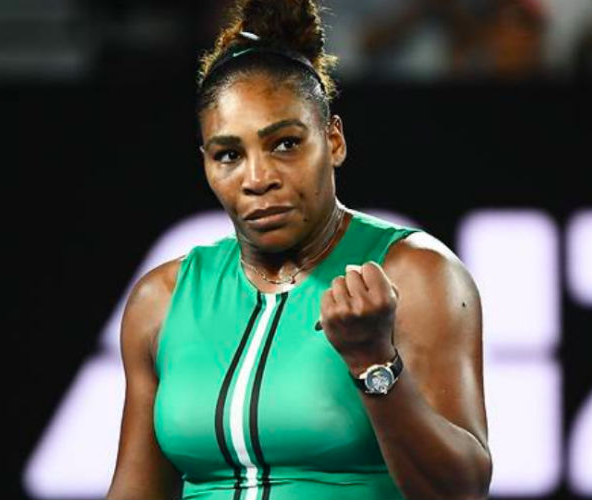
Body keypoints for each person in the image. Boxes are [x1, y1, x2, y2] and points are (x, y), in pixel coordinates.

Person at [106, 1, 491, 498]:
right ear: (205, 163)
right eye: (229, 154)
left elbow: (463, 491)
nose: (258, 178)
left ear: (334, 140)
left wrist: (372, 360)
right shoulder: (161, 300)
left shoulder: (416, 274)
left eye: (285, 144)